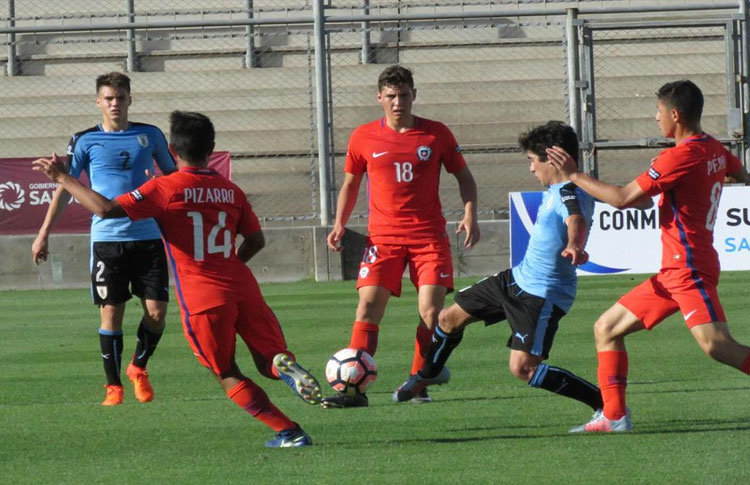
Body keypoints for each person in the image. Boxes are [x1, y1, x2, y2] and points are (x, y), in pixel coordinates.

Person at [33, 110, 323, 448]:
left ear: (172, 150)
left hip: (204, 298)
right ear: (211, 148)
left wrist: (64, 178)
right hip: (244, 287)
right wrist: (230, 266)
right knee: (265, 359)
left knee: (226, 371)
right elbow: (256, 241)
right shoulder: (231, 190)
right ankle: (280, 365)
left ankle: (288, 431)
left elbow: (106, 209)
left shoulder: (164, 188)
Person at [546, 80, 750, 432]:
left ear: (675, 114)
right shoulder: (713, 147)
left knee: (718, 346)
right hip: (674, 270)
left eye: (658, 111)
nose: (656, 118)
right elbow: (739, 173)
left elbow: (624, 197)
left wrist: (574, 175)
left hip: (689, 268)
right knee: (607, 328)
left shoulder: (680, 156)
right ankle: (613, 416)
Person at [394, 121, 606, 418]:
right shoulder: (559, 188)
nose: (532, 169)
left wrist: (575, 245)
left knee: (523, 368)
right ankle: (427, 375)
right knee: (448, 318)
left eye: (533, 161)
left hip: (542, 294)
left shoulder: (569, 192)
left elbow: (576, 220)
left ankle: (606, 405)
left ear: (553, 157)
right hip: (517, 278)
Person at [322, 65, 481, 408]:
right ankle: (352, 391)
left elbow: (465, 178)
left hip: (428, 238)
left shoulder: (436, 134)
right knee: (367, 307)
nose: (398, 102)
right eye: (391, 96)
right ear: (380, 98)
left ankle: (418, 384)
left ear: (414, 95)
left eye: (404, 95)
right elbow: (350, 185)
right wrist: (338, 223)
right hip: (382, 240)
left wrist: (470, 214)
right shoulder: (362, 137)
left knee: (432, 312)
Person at [31, 72, 177, 406]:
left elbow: (173, 179)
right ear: (98, 102)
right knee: (111, 314)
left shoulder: (150, 134)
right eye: (108, 98)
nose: (115, 104)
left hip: (147, 236)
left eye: (120, 97)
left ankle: (138, 368)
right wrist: (43, 234)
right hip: (107, 241)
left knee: (157, 313)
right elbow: (66, 189)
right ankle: (114, 388)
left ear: (130, 100)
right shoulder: (84, 140)